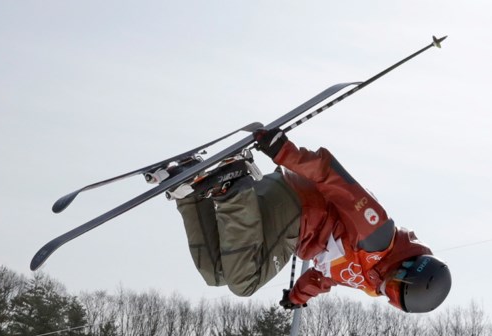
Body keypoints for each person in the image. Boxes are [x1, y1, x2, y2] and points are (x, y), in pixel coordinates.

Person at [173, 127, 452, 313]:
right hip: (297, 211)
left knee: (217, 274)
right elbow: (333, 178)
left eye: (392, 298)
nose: (386, 292)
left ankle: (189, 191)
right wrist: (283, 151)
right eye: (394, 286)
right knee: (244, 282)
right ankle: (232, 187)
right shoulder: (377, 234)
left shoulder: (370, 278)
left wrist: (297, 296)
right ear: (406, 268)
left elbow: (324, 277)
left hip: (290, 215)